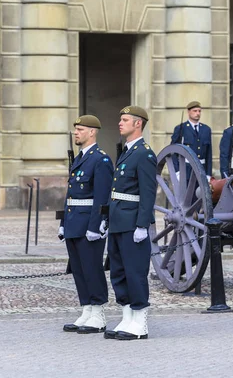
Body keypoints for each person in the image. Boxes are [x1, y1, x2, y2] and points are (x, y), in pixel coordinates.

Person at [100, 105, 157, 340]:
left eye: (125, 120)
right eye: (120, 119)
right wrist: (106, 218)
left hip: (132, 222)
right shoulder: (126, 151)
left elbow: (148, 192)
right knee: (119, 272)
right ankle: (127, 317)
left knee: (135, 272)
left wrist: (143, 225)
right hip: (118, 220)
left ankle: (140, 322)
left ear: (138, 124)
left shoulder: (144, 153)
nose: (120, 123)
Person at [59, 115, 114, 334]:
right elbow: (71, 193)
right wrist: (63, 222)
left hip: (88, 224)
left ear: (92, 132)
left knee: (92, 268)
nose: (76, 133)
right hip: (74, 222)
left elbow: (102, 198)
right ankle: (87, 309)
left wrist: (97, 225)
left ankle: (98, 313)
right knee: (79, 269)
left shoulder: (100, 159)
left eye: (80, 129)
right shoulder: (81, 158)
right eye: (76, 129)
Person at [170, 101, 212, 179]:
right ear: (188, 112)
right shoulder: (181, 128)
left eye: (199, 111)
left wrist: (208, 174)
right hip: (186, 169)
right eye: (195, 111)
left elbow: (209, 154)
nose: (198, 113)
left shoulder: (206, 129)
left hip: (202, 169)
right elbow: (173, 152)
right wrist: (177, 172)